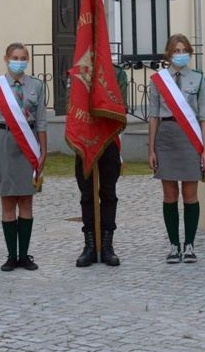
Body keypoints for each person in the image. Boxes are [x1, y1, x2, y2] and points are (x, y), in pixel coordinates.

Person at [148, 34, 205, 264]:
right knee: (169, 195)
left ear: (190, 53)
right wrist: (151, 149)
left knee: (190, 195)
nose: (180, 54)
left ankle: (190, 245)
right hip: (166, 138)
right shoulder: (158, 81)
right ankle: (174, 245)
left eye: (184, 50)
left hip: (190, 140)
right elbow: (153, 116)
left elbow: (204, 117)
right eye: (176, 50)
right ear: (168, 53)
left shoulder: (199, 78)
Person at [0, 43, 47, 272]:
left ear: (27, 59)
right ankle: (11, 255)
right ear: (6, 59)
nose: (18, 61)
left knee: (27, 200)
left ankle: (24, 255)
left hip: (28, 144)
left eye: (22, 57)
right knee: (8, 199)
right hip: (4, 142)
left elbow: (41, 121)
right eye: (14, 57)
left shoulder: (36, 85)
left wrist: (43, 151)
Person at [74, 64, 127, 268]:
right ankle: (89, 246)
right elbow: (73, 106)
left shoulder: (118, 73)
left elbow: (121, 105)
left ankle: (106, 246)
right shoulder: (78, 71)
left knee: (108, 193)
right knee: (87, 195)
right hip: (84, 141)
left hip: (108, 139)